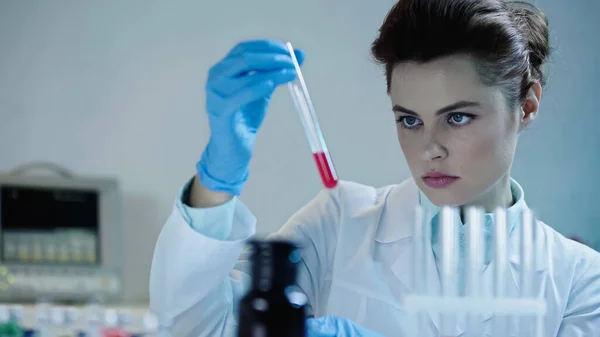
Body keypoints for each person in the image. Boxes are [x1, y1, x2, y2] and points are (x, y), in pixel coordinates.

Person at [149, 0, 600, 336]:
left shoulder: (579, 279)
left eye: (458, 117)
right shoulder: (339, 221)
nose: (430, 149)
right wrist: (216, 180)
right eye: (410, 120)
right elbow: (197, 327)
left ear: (527, 105)